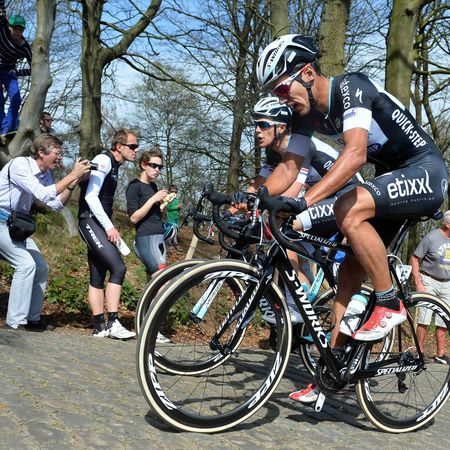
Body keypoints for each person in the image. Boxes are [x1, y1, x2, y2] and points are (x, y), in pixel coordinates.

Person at [256, 34, 447, 403]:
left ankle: (389, 301)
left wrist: (305, 201)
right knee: (348, 271)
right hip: (393, 178)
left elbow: (355, 155)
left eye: (281, 89)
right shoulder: (305, 116)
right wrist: (255, 198)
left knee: (346, 207)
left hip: (425, 171)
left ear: (306, 73)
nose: (280, 99)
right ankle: (332, 372)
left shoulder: (351, 88)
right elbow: (289, 168)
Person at [0, 133, 90, 330]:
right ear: (41, 152)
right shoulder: (20, 165)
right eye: (57, 153)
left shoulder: (45, 174)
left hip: (15, 226)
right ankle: (14, 322)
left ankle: (32, 319)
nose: (60, 158)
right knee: (25, 265)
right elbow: (42, 193)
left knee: (41, 267)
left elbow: (54, 205)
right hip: (1, 221)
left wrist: (73, 183)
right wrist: (72, 174)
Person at [78, 128, 138, 339]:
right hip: (89, 221)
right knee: (118, 268)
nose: (135, 150)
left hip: (99, 223)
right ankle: (112, 323)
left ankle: (99, 327)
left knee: (97, 275)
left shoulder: (115, 165)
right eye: (132, 146)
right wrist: (109, 226)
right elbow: (91, 197)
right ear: (119, 146)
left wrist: (108, 224)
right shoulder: (103, 160)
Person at [410, 211, 450, 365]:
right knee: (424, 318)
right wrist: (418, 282)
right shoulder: (431, 237)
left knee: (444, 319)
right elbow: (415, 259)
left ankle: (440, 354)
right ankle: (419, 352)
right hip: (429, 280)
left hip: (447, 283)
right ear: (447, 224)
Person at [126, 148, 168, 279]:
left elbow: (154, 213)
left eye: (160, 167)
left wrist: (163, 205)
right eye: (154, 166)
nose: (157, 170)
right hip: (146, 237)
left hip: (159, 236)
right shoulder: (134, 186)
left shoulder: (153, 186)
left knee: (153, 281)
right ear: (144, 165)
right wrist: (153, 199)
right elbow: (133, 218)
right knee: (162, 279)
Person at [0, 1, 31, 141]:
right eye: (15, 28)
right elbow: (2, 10)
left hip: (9, 72)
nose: (17, 32)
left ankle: (10, 129)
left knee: (16, 99)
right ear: (9, 27)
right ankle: (2, 128)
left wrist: (17, 72)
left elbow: (33, 69)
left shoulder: (25, 47)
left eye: (21, 29)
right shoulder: (3, 28)